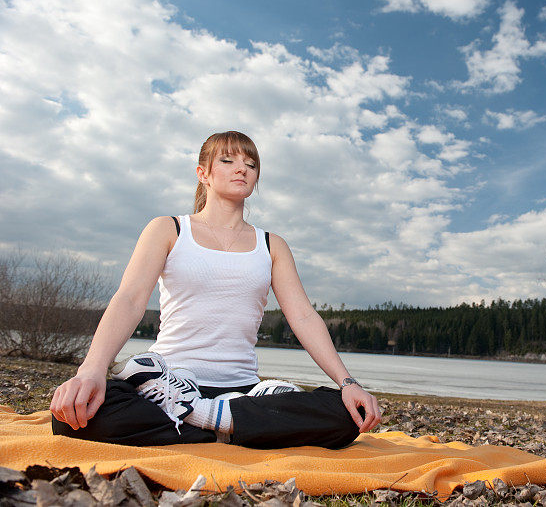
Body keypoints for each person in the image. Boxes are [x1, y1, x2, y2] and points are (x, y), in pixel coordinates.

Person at [50, 131, 382, 448]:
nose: (242, 168)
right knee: (71, 419)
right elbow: (130, 300)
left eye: (251, 164)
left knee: (346, 415)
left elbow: (304, 317)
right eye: (227, 160)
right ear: (203, 173)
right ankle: (234, 426)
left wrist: (348, 383)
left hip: (243, 389)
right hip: (166, 385)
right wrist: (91, 371)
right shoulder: (169, 228)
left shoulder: (272, 245)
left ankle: (203, 418)